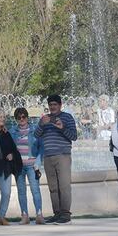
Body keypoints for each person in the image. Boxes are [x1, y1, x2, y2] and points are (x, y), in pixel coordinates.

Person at [35, 94, 78, 224]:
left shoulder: (67, 117)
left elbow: (74, 136)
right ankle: (57, 213)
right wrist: (42, 125)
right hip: (48, 156)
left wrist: (62, 128)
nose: (52, 107)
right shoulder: (45, 119)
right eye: (50, 105)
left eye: (55, 104)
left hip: (63, 155)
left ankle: (65, 214)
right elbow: (36, 135)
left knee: (64, 186)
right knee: (53, 187)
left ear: (60, 105)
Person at [12, 107, 44, 225]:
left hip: (32, 165)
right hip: (19, 166)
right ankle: (24, 215)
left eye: (23, 116)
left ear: (27, 117)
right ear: (16, 119)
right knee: (21, 191)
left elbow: (41, 147)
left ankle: (39, 214)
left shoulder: (34, 130)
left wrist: (38, 163)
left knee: (35, 190)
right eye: (19, 117)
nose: (22, 119)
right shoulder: (12, 131)